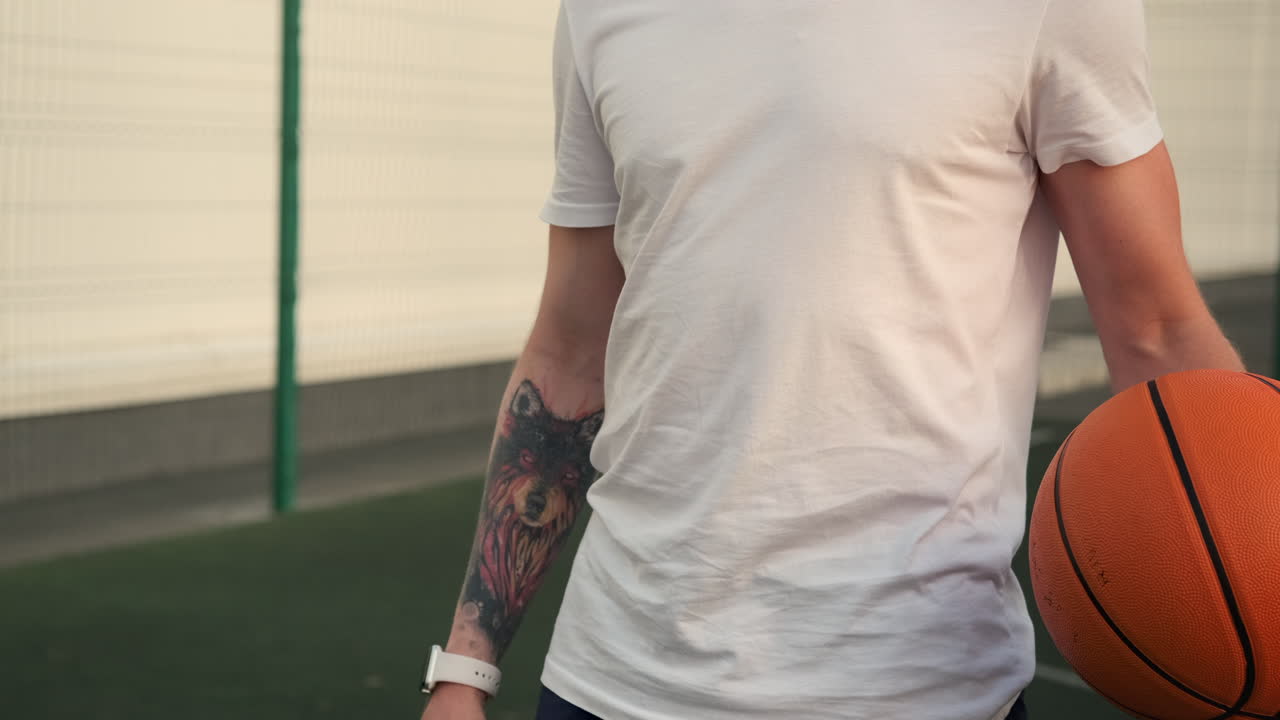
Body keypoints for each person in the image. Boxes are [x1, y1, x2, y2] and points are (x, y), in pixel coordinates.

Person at [420, 1, 1244, 718]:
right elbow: (567, 352)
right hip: (611, 678)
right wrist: (464, 668)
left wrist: (1258, 593)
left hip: (916, 686)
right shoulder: (603, 8)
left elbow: (1157, 332)